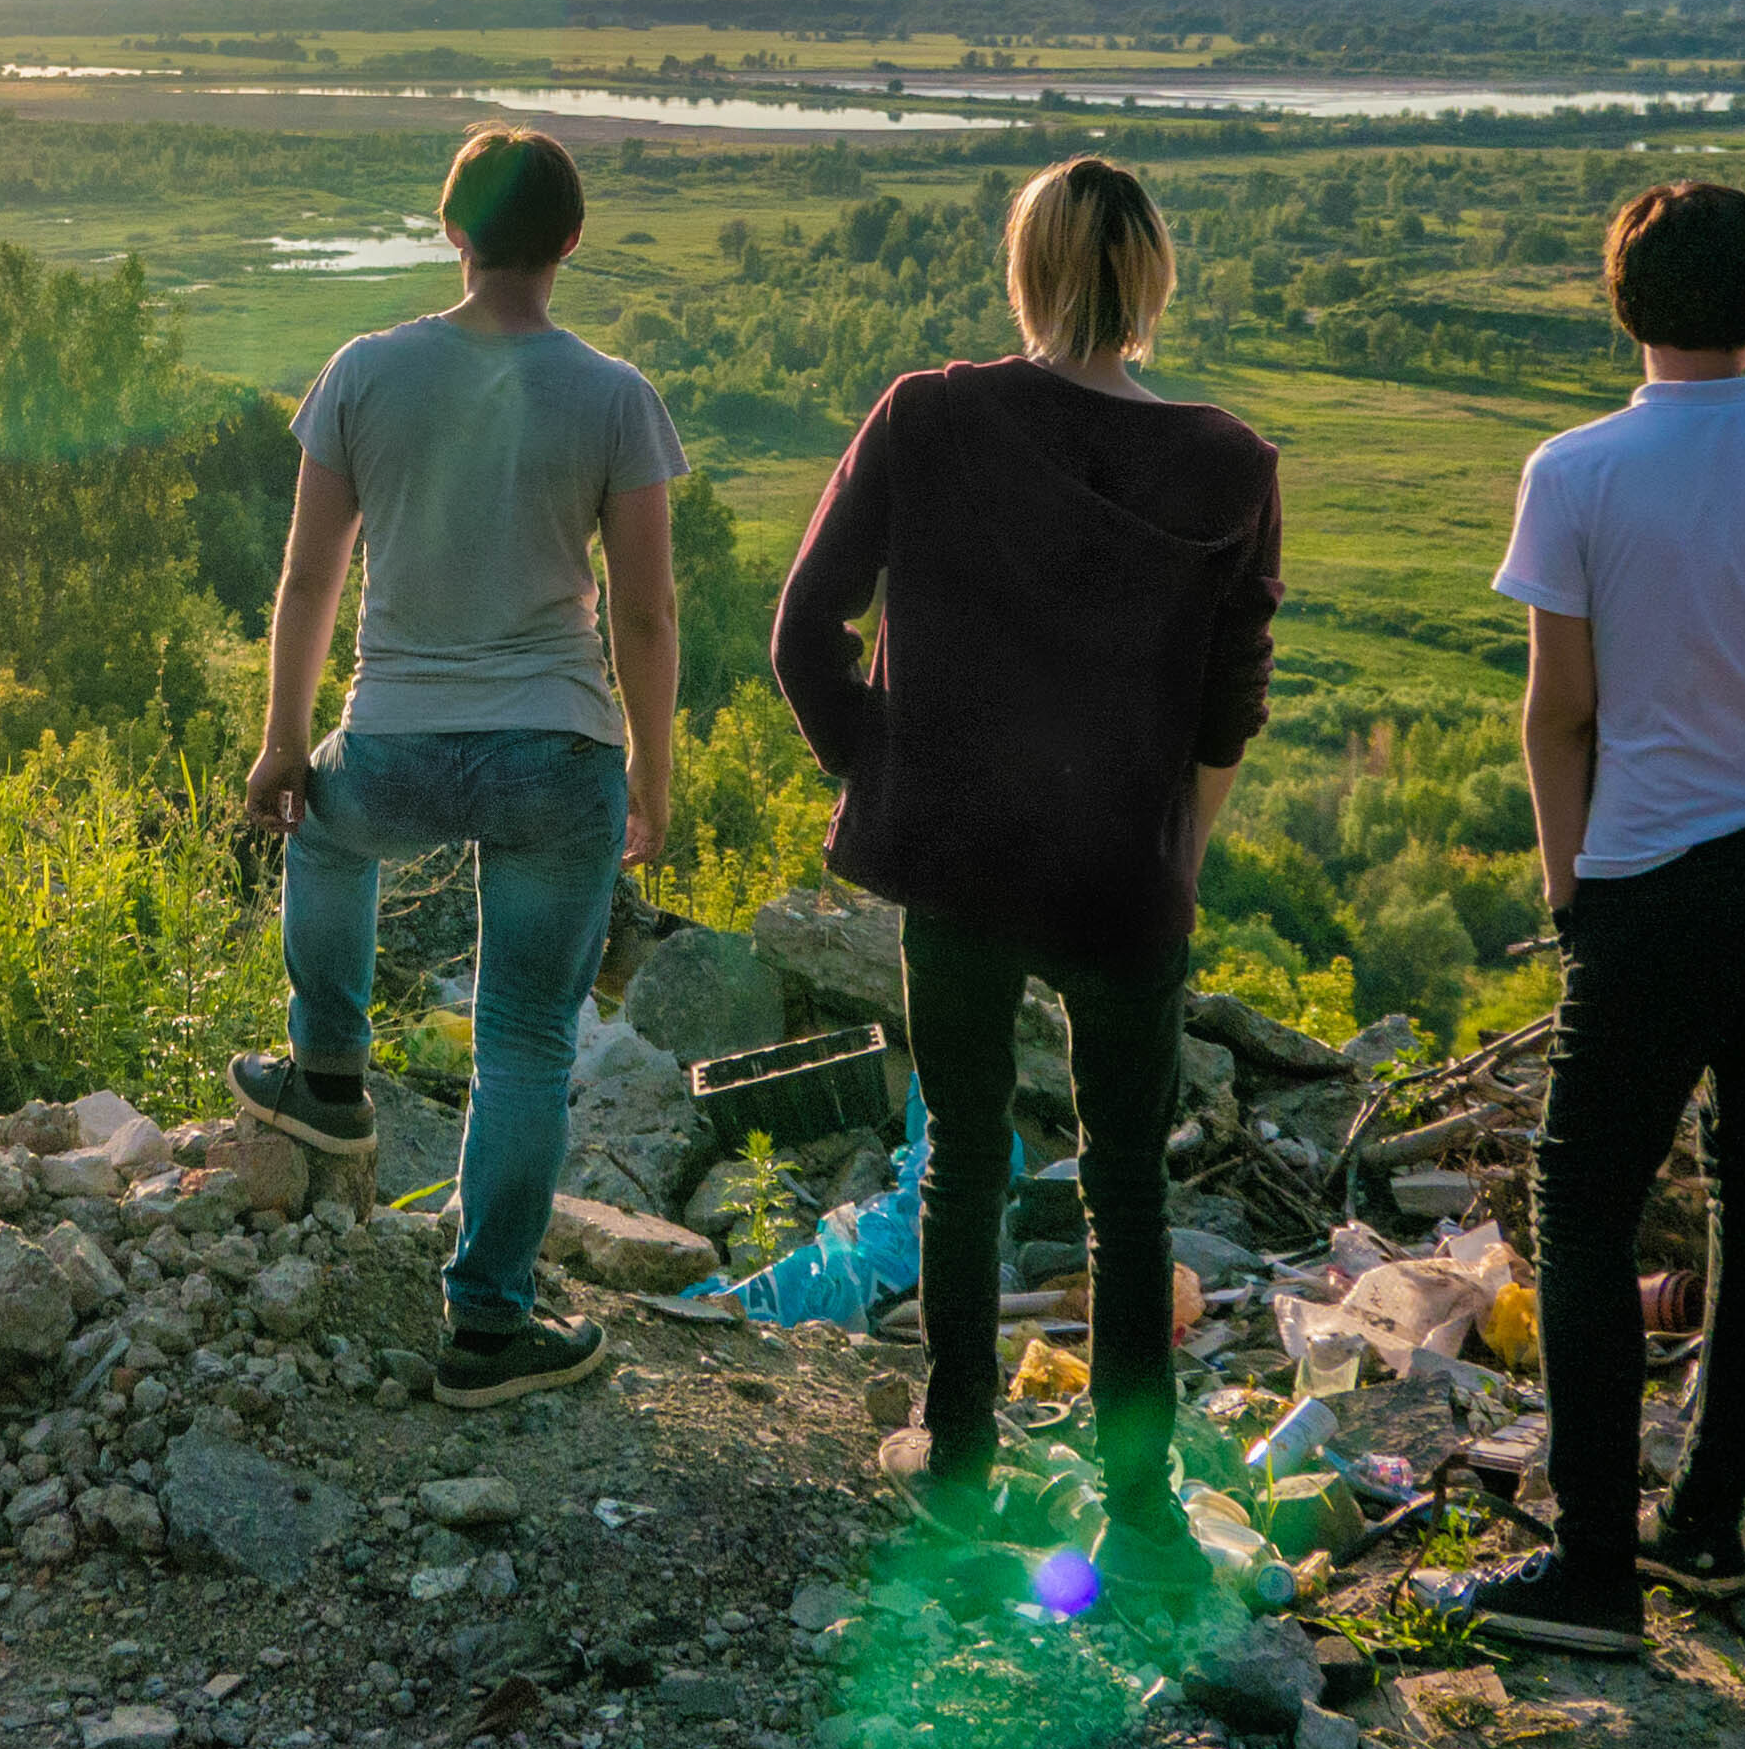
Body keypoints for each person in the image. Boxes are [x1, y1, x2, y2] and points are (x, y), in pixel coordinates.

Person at [770, 157, 1281, 1613]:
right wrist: (1178, 856)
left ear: (1029, 271)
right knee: (1129, 1185)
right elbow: (1227, 711)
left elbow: (805, 629)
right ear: (1154, 277)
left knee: (966, 1160)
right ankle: (1142, 1516)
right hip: (1126, 871)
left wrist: (885, 772)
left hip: (961, 856)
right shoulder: (1230, 465)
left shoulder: (932, 416)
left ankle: (957, 1464)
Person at [1434, 179, 1745, 1654]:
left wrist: (1568, 887)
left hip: (1654, 875)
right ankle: (1708, 1528)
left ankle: (1594, 1575)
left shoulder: (1575, 471)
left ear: (1624, 305)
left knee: (1581, 1202)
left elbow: (1561, 713)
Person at [229, 126, 685, 1409]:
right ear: (572, 244)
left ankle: (327, 1075)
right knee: (526, 1041)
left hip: (400, 742)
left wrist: (282, 739)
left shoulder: (367, 371)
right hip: (559, 755)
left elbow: (311, 574)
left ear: (452, 232)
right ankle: (489, 1321)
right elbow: (645, 616)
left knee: (324, 826)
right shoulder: (613, 395)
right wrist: (653, 778)